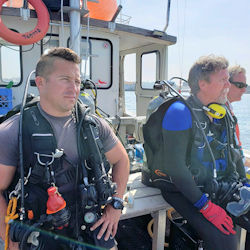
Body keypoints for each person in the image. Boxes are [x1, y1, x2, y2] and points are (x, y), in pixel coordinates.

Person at [0, 47, 130, 250]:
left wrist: (116, 205)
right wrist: (9, 238)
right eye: (64, 79)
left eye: (77, 81)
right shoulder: (13, 131)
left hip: (90, 223)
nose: (74, 88)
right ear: (41, 83)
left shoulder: (93, 126)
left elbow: (121, 160)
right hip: (41, 229)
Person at [143, 55, 250, 250]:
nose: (229, 84)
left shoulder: (221, 111)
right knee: (226, 240)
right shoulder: (179, 112)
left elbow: (233, 154)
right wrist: (206, 207)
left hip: (215, 184)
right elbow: (175, 168)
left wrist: (244, 184)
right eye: (223, 80)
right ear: (203, 84)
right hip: (181, 187)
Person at [227, 65, 250, 168]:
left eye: (245, 85)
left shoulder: (228, 110)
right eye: (240, 85)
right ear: (226, 84)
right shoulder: (222, 115)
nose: (244, 90)